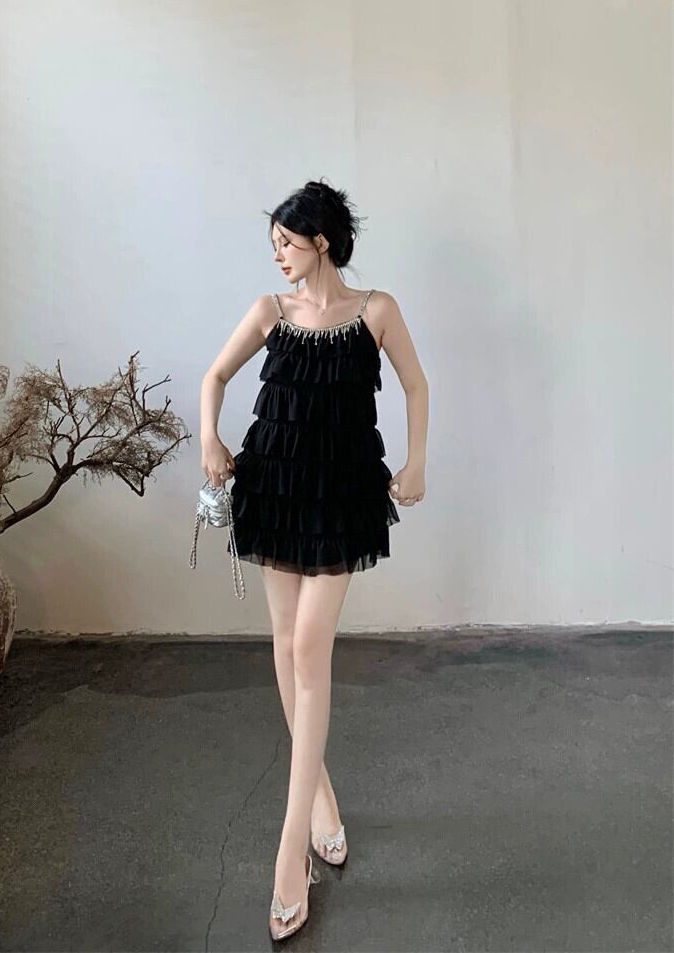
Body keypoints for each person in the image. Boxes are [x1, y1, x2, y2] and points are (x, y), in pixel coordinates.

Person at [199, 178, 429, 940]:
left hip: (343, 491)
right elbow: (213, 376)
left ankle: (289, 850)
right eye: (274, 245)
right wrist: (209, 439)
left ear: (320, 242)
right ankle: (320, 799)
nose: (277, 256)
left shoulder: (376, 310)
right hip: (273, 482)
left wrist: (416, 462)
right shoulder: (271, 310)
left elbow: (416, 386)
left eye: (286, 243)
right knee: (284, 644)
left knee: (307, 648)